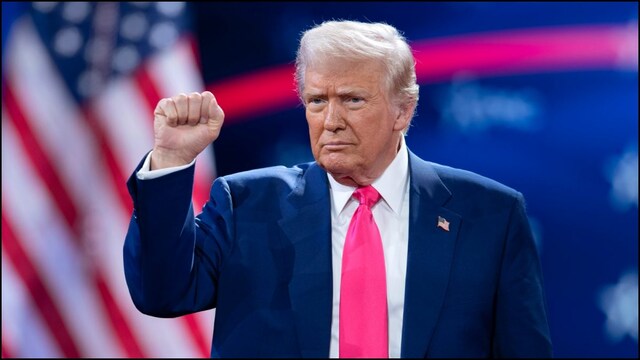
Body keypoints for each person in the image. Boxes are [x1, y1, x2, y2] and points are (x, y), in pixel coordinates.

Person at [123, 20, 552, 358]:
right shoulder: (247, 204)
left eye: (352, 100)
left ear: (403, 110)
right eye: (316, 101)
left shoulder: (490, 215)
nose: (330, 121)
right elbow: (162, 293)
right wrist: (172, 161)